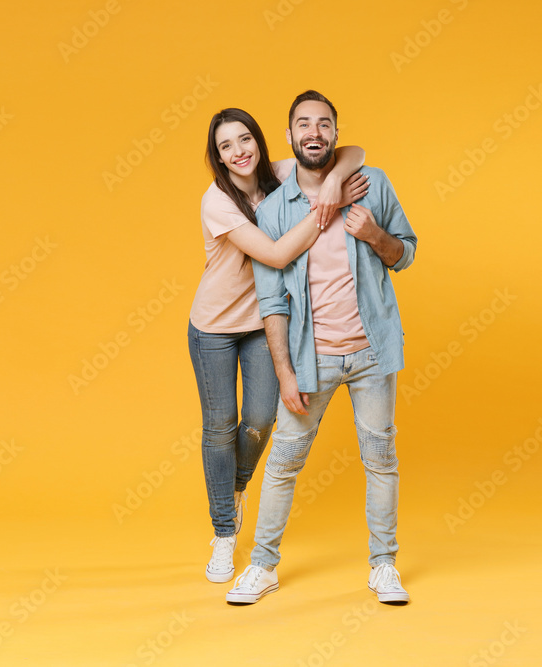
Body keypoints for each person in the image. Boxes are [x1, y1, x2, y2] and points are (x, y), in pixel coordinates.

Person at [225, 90, 417, 605]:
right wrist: (285, 373)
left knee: (381, 457)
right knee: (285, 460)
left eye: (324, 124)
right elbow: (272, 303)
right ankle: (262, 566)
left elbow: (406, 254)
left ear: (336, 131)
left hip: (373, 354)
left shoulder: (371, 185)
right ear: (289, 138)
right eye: (304, 125)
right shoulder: (275, 211)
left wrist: (376, 234)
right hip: (313, 359)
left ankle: (384, 565)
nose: (315, 132)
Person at [189, 107, 370, 583]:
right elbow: (274, 253)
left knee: (262, 419)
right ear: (218, 157)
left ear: (260, 141)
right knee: (221, 424)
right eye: (226, 146)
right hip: (215, 327)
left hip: (267, 322)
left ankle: (236, 487)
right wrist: (326, 208)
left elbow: (353, 152)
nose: (239, 152)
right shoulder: (217, 201)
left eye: (244, 139)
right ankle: (225, 533)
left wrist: (330, 183)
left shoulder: (280, 175)